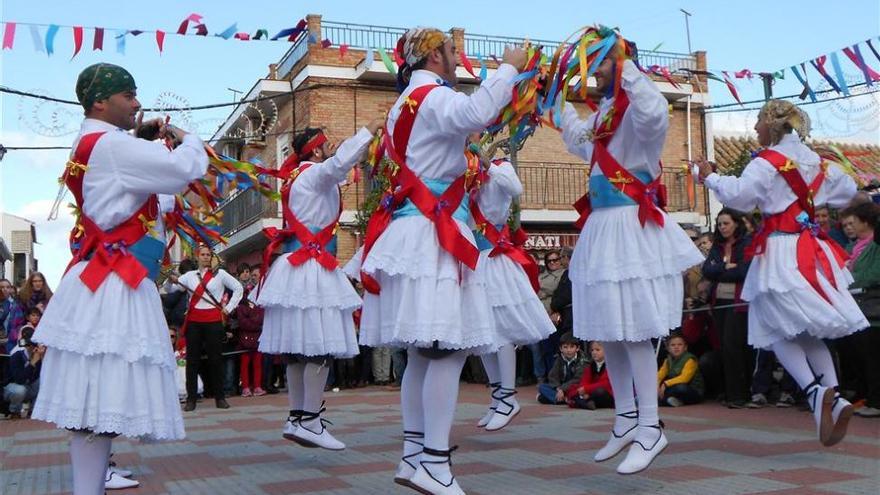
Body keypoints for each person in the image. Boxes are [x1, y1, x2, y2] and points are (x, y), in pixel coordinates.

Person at [357, 26, 526, 494]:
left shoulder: (401, 105)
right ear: (434, 54)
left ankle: (414, 455)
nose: (458, 57)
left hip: (414, 231)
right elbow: (476, 112)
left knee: (421, 354)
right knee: (445, 351)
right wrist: (510, 66)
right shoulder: (432, 96)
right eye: (452, 50)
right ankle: (433, 460)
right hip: (433, 234)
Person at [30, 63, 208, 495]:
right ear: (100, 102)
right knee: (100, 399)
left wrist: (137, 138)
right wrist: (190, 139)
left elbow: (125, 175)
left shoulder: (90, 142)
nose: (136, 102)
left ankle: (88, 487)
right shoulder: (111, 145)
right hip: (113, 283)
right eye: (128, 95)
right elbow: (187, 170)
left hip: (97, 277)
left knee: (94, 401)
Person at [560, 29, 703, 474]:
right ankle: (624, 420)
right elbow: (578, 143)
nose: (593, 70)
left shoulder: (639, 109)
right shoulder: (603, 111)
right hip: (603, 225)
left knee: (637, 331)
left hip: (630, 224)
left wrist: (627, 67)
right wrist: (555, 105)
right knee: (611, 329)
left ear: (620, 62)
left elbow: (655, 111)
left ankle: (650, 426)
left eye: (600, 61)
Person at [698, 99, 867, 446]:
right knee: (806, 332)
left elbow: (742, 199)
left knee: (775, 330)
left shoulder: (766, 162)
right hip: (811, 248)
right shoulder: (818, 160)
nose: (755, 129)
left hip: (779, 250)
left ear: (772, 125)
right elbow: (848, 191)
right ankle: (833, 398)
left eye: (758, 122)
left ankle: (813, 391)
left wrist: (710, 176)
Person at [254, 121, 380, 451]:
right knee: (319, 347)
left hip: (296, 267)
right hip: (311, 267)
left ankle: (298, 417)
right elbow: (338, 167)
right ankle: (309, 419)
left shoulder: (298, 178)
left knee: (298, 351)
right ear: (318, 150)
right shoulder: (312, 174)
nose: (332, 149)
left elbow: (338, 172)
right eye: (327, 146)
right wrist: (368, 131)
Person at [470, 141, 555, 431]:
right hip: (475, 259)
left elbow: (515, 189)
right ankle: (497, 397)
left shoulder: (500, 166)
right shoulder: (466, 177)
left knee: (501, 328)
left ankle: (508, 395)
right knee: (481, 331)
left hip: (496, 259)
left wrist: (487, 165)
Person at [177, 245, 243, 410]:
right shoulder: (190, 276)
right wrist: (172, 279)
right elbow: (172, 287)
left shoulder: (220, 274)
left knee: (216, 360)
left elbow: (238, 288)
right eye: (203, 255)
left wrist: (228, 308)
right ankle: (191, 399)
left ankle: (220, 397)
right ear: (197, 257)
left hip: (213, 320)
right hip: (194, 321)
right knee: (192, 361)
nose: (206, 257)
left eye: (208, 254)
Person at [701, 208, 753, 408]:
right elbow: (708, 270)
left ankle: (739, 393)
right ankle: (729, 391)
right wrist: (725, 268)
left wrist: (720, 270)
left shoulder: (746, 243)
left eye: (726, 223)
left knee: (734, 345)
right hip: (719, 301)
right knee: (723, 346)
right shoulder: (717, 246)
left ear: (736, 224)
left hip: (739, 302)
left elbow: (743, 271)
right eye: (720, 224)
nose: (723, 227)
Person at [840, 202, 880, 418]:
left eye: (852, 222)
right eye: (845, 224)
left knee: (873, 359)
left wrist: (848, 280)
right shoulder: (850, 247)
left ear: (865, 222)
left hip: (872, 310)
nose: (848, 228)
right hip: (855, 310)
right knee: (859, 358)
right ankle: (863, 395)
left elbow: (873, 274)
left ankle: (876, 401)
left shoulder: (876, 246)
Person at [537, 332, 588, 405]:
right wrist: (558, 388)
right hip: (561, 387)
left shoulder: (583, 361)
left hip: (573, 386)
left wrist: (562, 389)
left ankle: (558, 398)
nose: (568, 350)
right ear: (561, 349)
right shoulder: (559, 358)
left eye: (572, 347)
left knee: (542, 398)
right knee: (542, 387)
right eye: (565, 347)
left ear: (577, 348)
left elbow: (577, 379)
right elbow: (553, 376)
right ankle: (564, 399)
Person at [3, 327, 43, 419]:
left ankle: (34, 411)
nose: (30, 347)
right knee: (20, 390)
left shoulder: (37, 355)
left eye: (32, 344)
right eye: (28, 344)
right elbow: (19, 379)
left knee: (43, 382)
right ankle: (14, 411)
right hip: (11, 387)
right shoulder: (17, 355)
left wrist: (41, 359)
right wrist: (32, 363)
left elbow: (36, 376)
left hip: (27, 386)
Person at [657, 334, 704, 407]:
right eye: (673, 345)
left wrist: (665, 384)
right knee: (657, 388)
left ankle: (663, 400)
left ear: (685, 348)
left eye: (680, 344)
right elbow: (660, 374)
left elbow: (685, 378)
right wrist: (656, 385)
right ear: (668, 349)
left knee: (681, 388)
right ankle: (671, 401)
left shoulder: (690, 359)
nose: (676, 347)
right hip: (674, 388)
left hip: (692, 391)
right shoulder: (667, 360)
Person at [569, 341, 614, 410]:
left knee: (600, 391)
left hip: (608, 395)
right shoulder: (590, 366)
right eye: (592, 350)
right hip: (592, 393)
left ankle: (584, 403)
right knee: (573, 389)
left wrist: (586, 390)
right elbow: (584, 381)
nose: (594, 352)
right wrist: (583, 391)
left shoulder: (610, 365)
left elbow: (605, 384)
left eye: (597, 350)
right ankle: (588, 402)